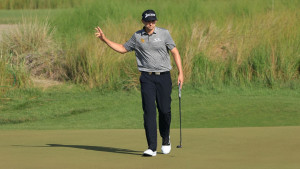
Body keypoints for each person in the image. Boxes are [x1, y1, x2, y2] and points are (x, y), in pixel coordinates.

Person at [95, 9, 184, 157]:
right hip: (147, 78)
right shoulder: (137, 37)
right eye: (148, 21)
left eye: (153, 21)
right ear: (143, 21)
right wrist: (105, 39)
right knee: (149, 111)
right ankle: (151, 147)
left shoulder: (164, 34)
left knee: (164, 110)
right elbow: (123, 49)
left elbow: (175, 52)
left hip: (164, 77)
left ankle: (166, 138)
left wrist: (181, 72)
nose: (151, 23)